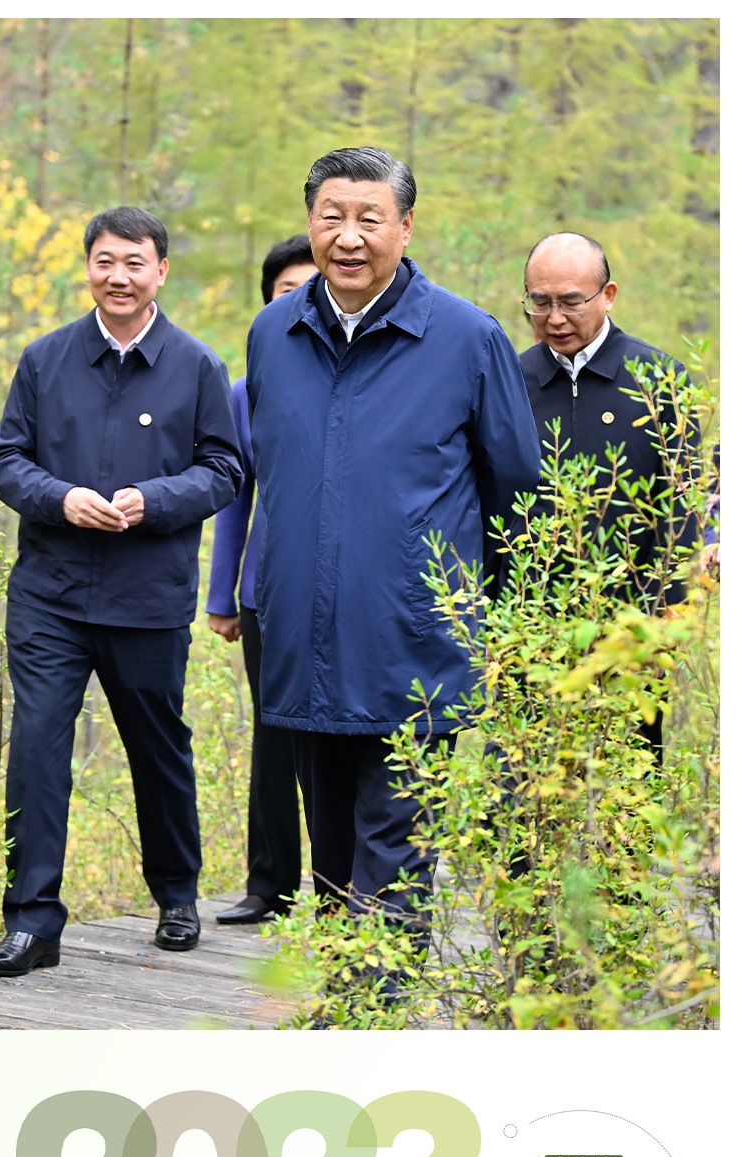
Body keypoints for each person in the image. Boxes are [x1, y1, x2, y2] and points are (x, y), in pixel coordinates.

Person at [246, 146, 541, 981]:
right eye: (331, 216)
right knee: (334, 868)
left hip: (415, 655)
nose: (349, 236)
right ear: (310, 223)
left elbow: (516, 491)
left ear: (406, 227)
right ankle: (348, 1016)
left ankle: (371, 1022)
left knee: (394, 867)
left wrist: (468, 615)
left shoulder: (468, 338)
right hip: (304, 647)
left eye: (369, 218)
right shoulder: (273, 333)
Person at [0, 206, 242, 977]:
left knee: (158, 750)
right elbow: (4, 459)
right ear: (87, 266)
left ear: (161, 271)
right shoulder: (45, 358)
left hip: (147, 599)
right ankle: (32, 924)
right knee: (37, 750)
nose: (118, 276)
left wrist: (152, 500)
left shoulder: (197, 366)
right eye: (105, 261)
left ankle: (177, 896)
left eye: (134, 263)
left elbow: (224, 469)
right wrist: (60, 498)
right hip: (50, 597)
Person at [519, 231, 699, 760]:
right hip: (532, 633)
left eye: (571, 302)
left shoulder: (658, 379)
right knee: (531, 778)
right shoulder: (510, 379)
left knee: (629, 771)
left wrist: (663, 622)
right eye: (539, 302)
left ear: (608, 296)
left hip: (630, 631)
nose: (554, 318)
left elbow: (681, 511)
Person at [206, 235, 317, 925]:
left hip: (342, 592)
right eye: (285, 292)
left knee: (341, 743)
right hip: (266, 595)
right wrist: (223, 597)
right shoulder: (246, 392)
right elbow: (232, 499)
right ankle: (269, 886)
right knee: (272, 736)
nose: (299, 301)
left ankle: (348, 886)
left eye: (310, 288)